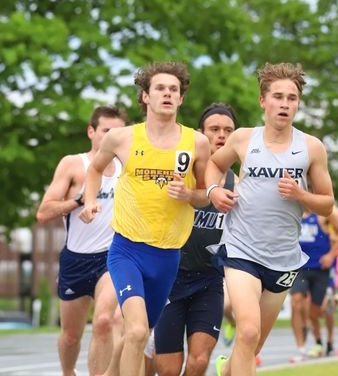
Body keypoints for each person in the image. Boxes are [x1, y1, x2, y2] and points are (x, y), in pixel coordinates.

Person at [79, 61, 210, 376]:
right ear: (146, 97)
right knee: (136, 331)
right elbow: (95, 169)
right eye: (160, 89)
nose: (167, 94)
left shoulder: (196, 143)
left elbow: (206, 194)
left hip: (167, 255)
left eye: (173, 90)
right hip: (127, 250)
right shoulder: (121, 138)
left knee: (138, 335)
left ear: (180, 99)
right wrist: (91, 200)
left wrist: (189, 195)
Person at [205, 62, 335, 376]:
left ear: (298, 104)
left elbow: (327, 204)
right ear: (264, 101)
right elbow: (214, 165)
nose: (285, 104)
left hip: (283, 257)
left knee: (253, 345)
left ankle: (227, 370)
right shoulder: (243, 138)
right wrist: (212, 191)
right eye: (278, 96)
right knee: (247, 332)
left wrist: (301, 195)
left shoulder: (311, 148)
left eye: (292, 98)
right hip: (241, 249)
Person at [36, 105, 128, 376]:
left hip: (113, 256)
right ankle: (68, 372)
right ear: (91, 132)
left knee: (104, 321)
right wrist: (78, 201)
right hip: (76, 258)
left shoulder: (129, 166)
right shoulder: (73, 164)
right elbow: (43, 213)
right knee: (70, 336)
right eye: (106, 131)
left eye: (118, 131)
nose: (112, 136)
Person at [153, 103, 237, 376]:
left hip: (209, 280)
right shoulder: (181, 175)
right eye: (214, 129)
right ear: (201, 134)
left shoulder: (241, 183)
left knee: (199, 361)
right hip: (170, 278)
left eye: (228, 130)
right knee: (167, 370)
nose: (221, 135)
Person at [289, 206, 338, 361]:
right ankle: (301, 348)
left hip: (320, 270)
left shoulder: (322, 216)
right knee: (296, 302)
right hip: (300, 268)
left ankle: (322, 341)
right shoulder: (294, 213)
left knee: (315, 313)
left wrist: (331, 254)